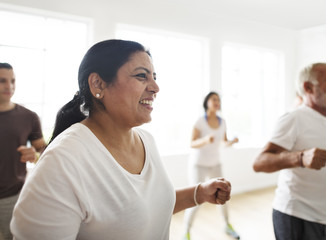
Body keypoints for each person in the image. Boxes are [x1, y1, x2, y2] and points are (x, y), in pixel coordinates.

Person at [10, 39, 232, 240]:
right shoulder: (62, 161)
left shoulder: (147, 140)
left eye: (154, 77)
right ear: (98, 84)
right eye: (141, 76)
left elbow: (143, 208)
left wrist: (198, 193)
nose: (155, 87)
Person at [253, 63, 326, 240]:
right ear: (308, 87)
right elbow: (259, 162)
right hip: (298, 215)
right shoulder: (294, 118)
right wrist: (300, 158)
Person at [182, 91, 239, 240]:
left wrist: (231, 142)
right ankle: (186, 232)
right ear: (207, 102)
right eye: (214, 99)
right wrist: (205, 140)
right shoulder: (200, 121)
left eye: (218, 100)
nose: (217, 102)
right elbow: (192, 143)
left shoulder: (223, 121)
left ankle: (227, 225)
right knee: (195, 200)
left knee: (224, 195)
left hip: (215, 164)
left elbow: (223, 141)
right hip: (198, 165)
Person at [0, 63, 46, 240]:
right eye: (2, 81)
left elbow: (43, 151)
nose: (9, 86)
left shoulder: (29, 117)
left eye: (12, 81)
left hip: (12, 196)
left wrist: (34, 155)